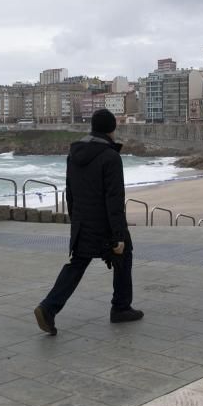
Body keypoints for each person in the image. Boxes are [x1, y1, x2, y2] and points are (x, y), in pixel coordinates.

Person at [34, 109, 143, 335]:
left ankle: (48, 308)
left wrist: (76, 221)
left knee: (77, 264)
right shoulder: (110, 157)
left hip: (83, 222)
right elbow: (114, 199)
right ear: (112, 129)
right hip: (105, 224)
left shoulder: (74, 154)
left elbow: (70, 193)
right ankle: (121, 308)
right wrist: (118, 235)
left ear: (92, 127)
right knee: (125, 254)